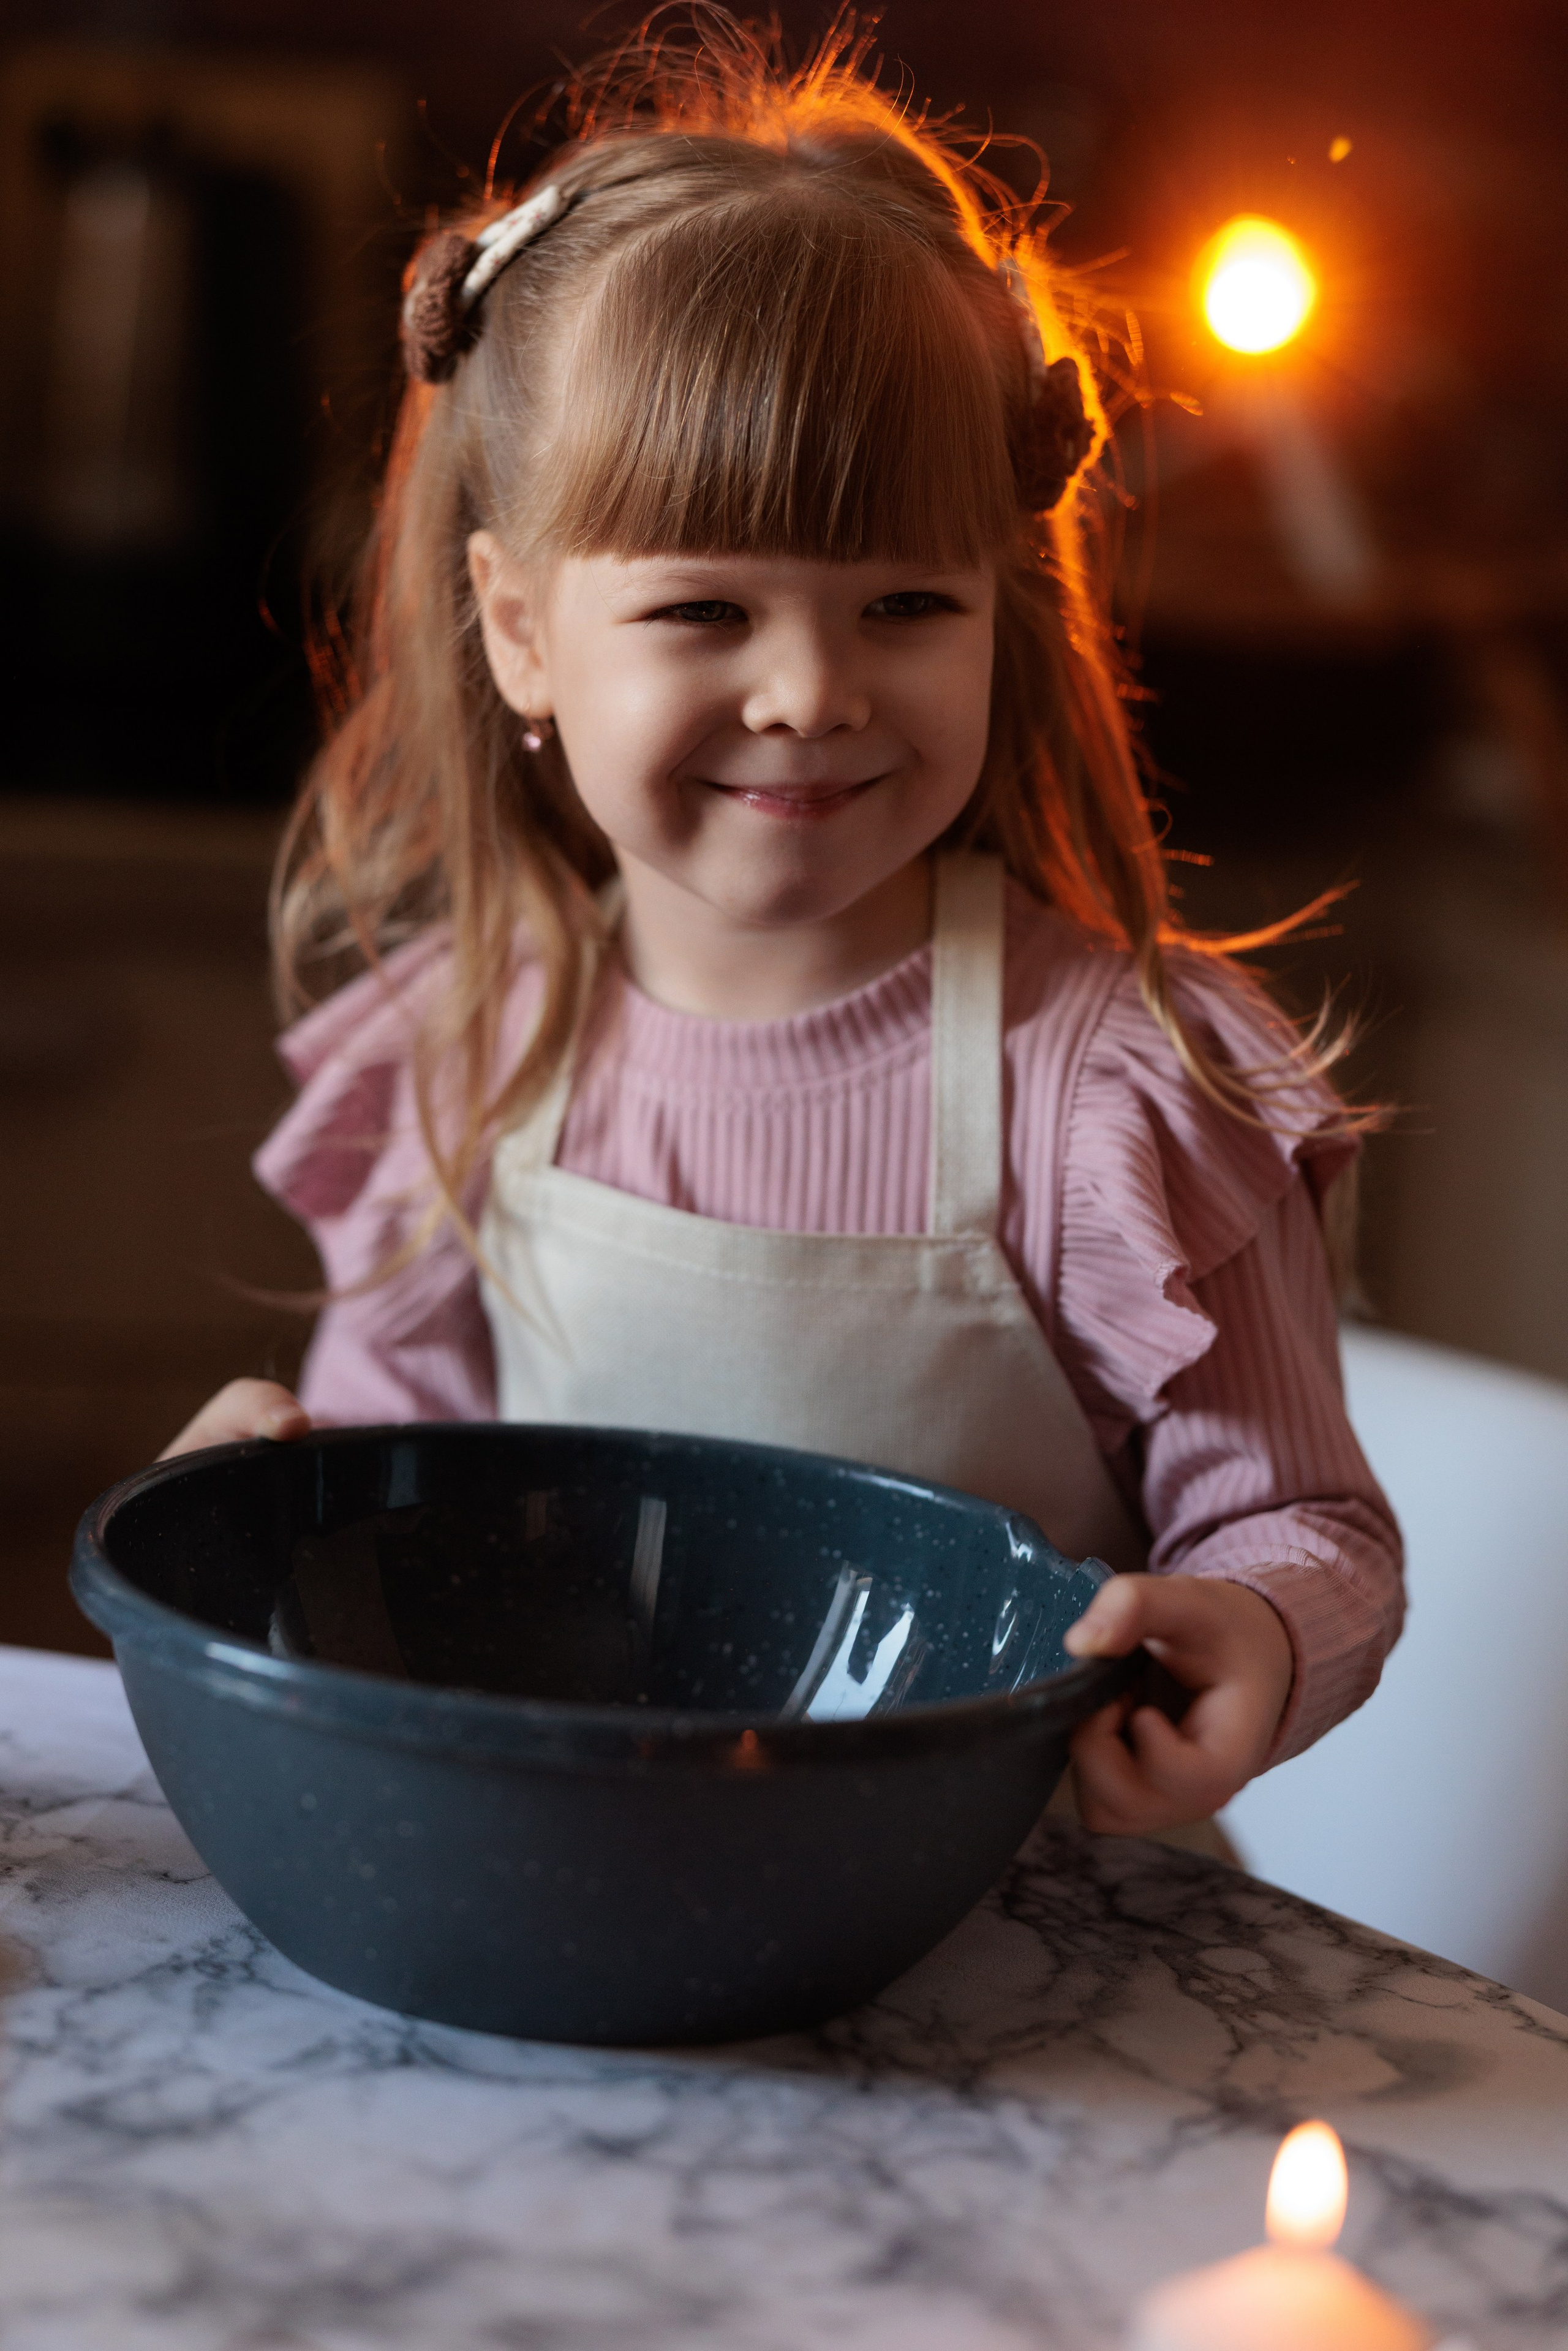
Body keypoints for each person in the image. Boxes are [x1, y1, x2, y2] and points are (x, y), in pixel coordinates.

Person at [164, 20, 1401, 1843]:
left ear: (1007, 608)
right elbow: (386, 1529)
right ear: (517, 627)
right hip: (589, 1917)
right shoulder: (468, 1052)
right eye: (705, 609)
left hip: (1030, 1968)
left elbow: (1311, 1529)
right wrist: (261, 1513)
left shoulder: (1112, 1087)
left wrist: (1259, 1626)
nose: (813, 691)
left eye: (907, 600)